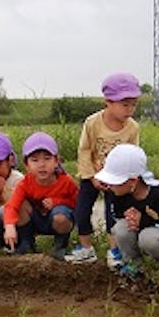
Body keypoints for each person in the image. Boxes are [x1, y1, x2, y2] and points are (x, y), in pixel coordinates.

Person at [66, 72, 142, 268]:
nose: (130, 110)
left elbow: (133, 154)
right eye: (125, 104)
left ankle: (114, 250)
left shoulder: (132, 128)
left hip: (117, 178)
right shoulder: (92, 123)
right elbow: (84, 150)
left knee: (114, 213)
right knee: (82, 211)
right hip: (92, 173)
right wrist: (91, 177)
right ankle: (86, 248)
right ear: (108, 101)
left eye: (133, 104)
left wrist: (126, 179)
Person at [93, 144, 159, 278]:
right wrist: (129, 218)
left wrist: (143, 221)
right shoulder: (117, 194)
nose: (109, 185)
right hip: (139, 231)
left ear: (133, 182)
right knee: (120, 229)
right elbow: (117, 217)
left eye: (114, 181)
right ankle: (134, 264)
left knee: (148, 238)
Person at [3, 132, 78, 259]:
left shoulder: (66, 182)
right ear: (26, 165)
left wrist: (58, 201)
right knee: (20, 204)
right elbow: (11, 206)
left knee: (60, 216)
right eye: (35, 160)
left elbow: (79, 203)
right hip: (35, 220)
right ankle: (27, 242)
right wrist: (9, 226)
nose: (41, 164)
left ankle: (60, 245)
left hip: (59, 219)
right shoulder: (25, 183)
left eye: (47, 158)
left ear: (56, 162)